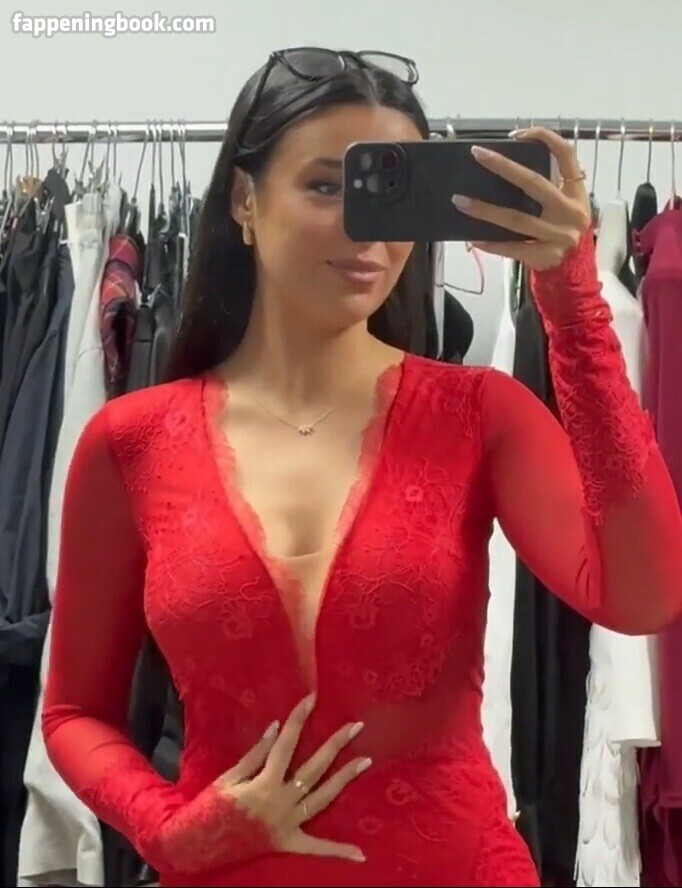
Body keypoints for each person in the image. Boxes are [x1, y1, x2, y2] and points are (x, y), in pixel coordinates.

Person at [42, 48, 682, 888]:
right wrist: (165, 827)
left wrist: (575, 309)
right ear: (244, 198)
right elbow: (73, 711)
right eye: (325, 186)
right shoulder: (131, 443)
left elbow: (644, 595)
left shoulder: (478, 415)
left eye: (389, 195)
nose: (368, 232)